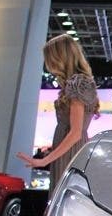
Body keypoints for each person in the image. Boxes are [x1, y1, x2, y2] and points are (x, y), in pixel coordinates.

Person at [16, 35, 99, 188]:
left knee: (64, 195)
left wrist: (44, 161)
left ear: (59, 58)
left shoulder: (77, 83)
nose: (48, 64)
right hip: (67, 150)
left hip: (70, 152)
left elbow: (75, 133)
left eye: (49, 58)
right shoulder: (75, 83)